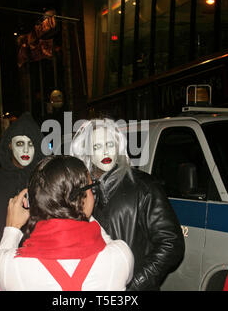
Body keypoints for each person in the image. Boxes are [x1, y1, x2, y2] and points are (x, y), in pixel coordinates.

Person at [70, 118, 185, 290]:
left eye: (110, 144)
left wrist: (134, 284)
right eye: (97, 146)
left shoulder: (143, 186)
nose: (106, 152)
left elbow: (171, 243)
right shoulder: (78, 191)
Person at [0, 155, 134, 291]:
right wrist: (82, 212)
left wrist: (12, 227)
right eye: (91, 188)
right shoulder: (120, 256)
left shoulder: (11, 268)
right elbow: (105, 241)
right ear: (82, 198)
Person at [0, 112, 45, 260]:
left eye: (30, 144)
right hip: (2, 262)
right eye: (20, 143)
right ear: (10, 145)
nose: (25, 150)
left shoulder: (45, 181)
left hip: (39, 265)